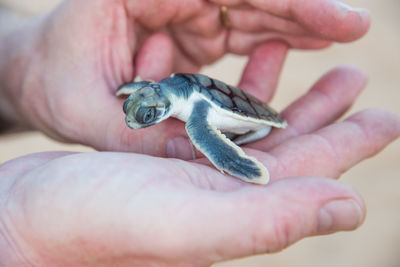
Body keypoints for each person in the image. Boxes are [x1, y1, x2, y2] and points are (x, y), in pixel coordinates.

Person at [0, 0, 399, 266]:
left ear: (163, 99)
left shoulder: (193, 113)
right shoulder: (155, 90)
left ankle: (234, 152)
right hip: (185, 90)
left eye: (148, 115)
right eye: (136, 110)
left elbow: (171, 105)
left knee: (202, 137)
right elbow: (144, 96)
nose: (137, 122)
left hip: (245, 113)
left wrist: (232, 160)